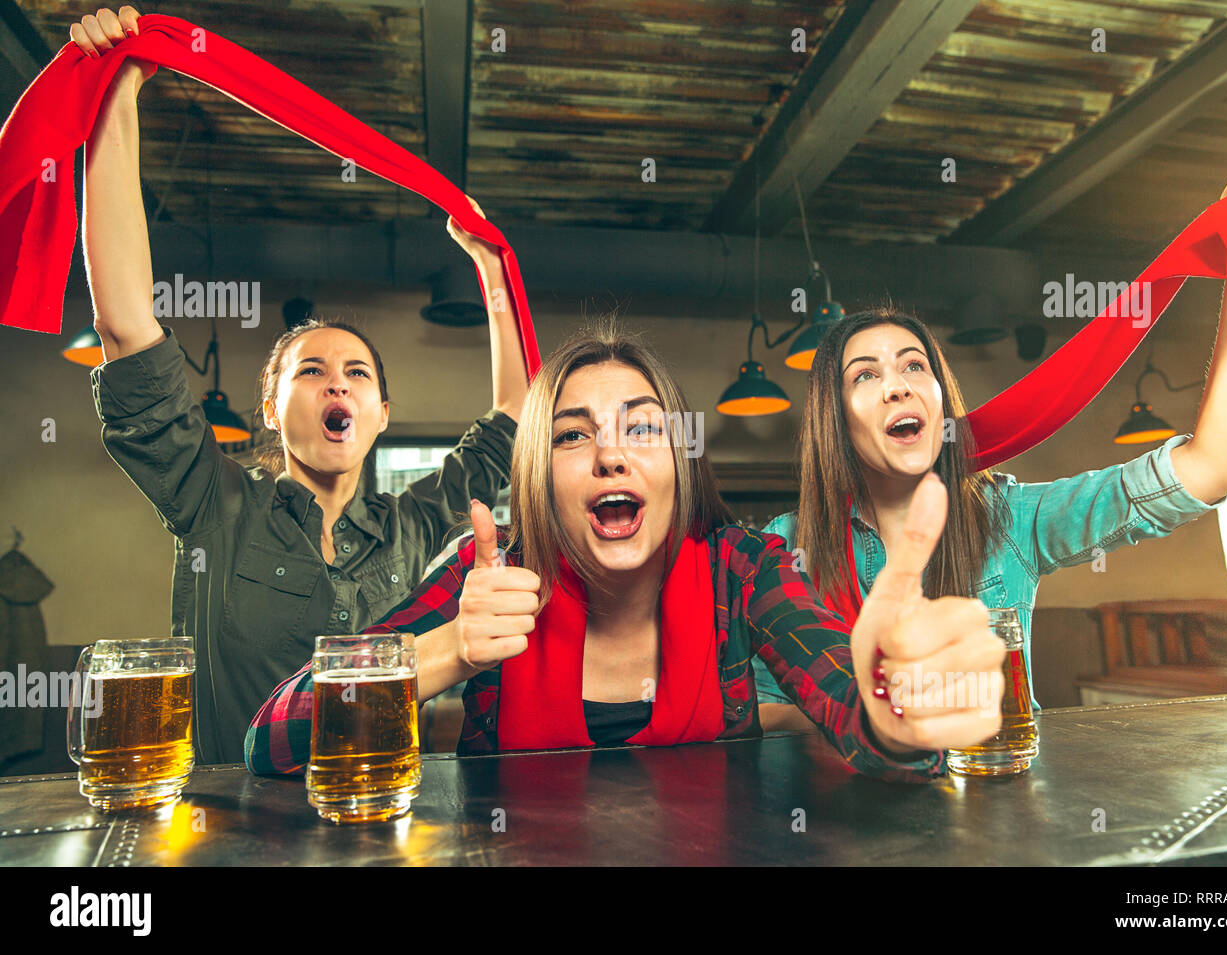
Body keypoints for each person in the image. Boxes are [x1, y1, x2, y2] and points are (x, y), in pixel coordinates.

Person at [247, 324, 1011, 781]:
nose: (612, 456)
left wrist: (897, 714)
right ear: (541, 476)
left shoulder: (741, 567)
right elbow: (270, 740)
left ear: (682, 464)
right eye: (574, 435)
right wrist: (450, 650)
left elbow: (858, 716)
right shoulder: (485, 574)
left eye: (643, 429)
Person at [73, 7, 529, 763]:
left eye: (356, 374)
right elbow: (126, 330)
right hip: (230, 828)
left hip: (383, 817)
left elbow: (516, 414)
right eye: (309, 372)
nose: (335, 385)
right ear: (272, 411)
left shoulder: (418, 526)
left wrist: (490, 269)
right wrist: (119, 87)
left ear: (381, 414)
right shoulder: (213, 504)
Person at [756, 158, 1227, 725]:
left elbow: (1222, 461)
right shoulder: (788, 545)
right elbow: (767, 712)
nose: (897, 386)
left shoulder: (1009, 519)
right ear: (833, 419)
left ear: (942, 402)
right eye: (864, 375)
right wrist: (878, 715)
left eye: (915, 367)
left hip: (998, 795)